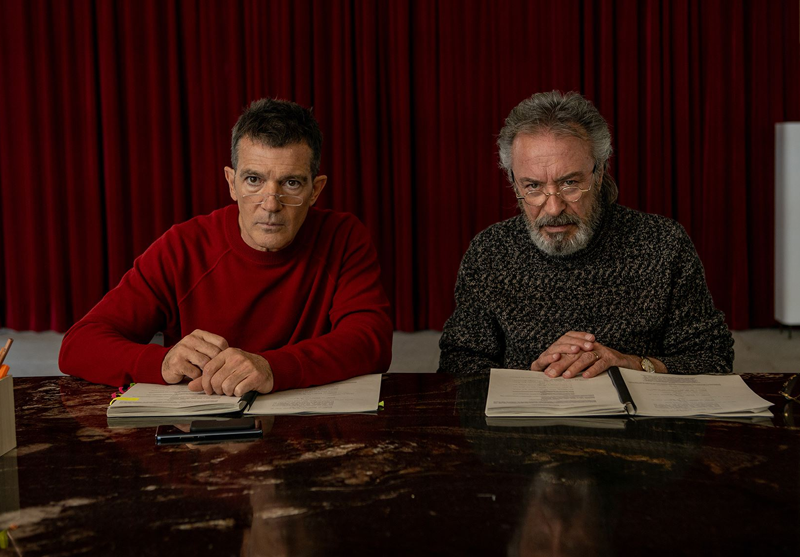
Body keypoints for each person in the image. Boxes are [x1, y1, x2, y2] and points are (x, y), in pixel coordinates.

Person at [59, 98, 393, 396]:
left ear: (315, 190)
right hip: (200, 441)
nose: (271, 204)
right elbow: (78, 346)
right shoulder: (183, 247)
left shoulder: (344, 237)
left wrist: (272, 368)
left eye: (291, 183)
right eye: (254, 180)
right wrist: (163, 362)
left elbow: (371, 341)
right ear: (231, 183)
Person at [439, 91, 733, 378]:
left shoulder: (663, 244)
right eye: (533, 187)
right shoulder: (490, 251)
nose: (553, 208)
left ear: (600, 171)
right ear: (513, 182)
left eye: (570, 183)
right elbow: (457, 363)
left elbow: (713, 356)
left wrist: (631, 363)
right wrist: (532, 377)